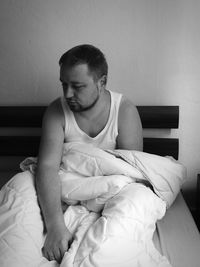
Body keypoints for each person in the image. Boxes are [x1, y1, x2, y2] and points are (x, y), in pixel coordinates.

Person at [35, 44, 143, 263]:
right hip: (64, 188)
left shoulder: (124, 111)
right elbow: (47, 167)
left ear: (101, 82)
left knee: (136, 199)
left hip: (109, 192)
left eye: (77, 86)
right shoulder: (56, 111)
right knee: (18, 186)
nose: (67, 94)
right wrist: (55, 226)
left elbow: (129, 173)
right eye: (64, 85)